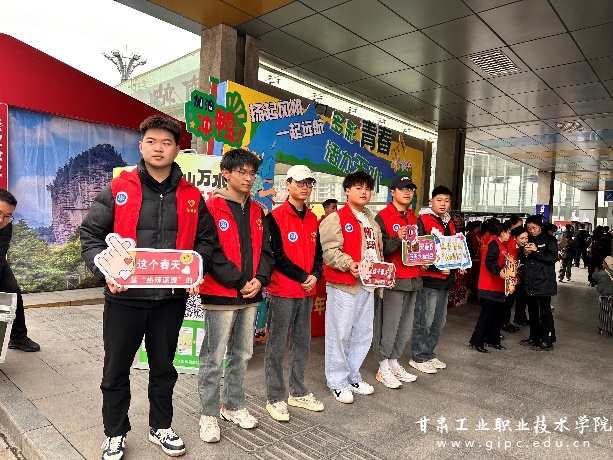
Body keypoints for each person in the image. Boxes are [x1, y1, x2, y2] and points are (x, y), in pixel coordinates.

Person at [80, 115, 216, 459]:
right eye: (152, 141)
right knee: (115, 370)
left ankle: (161, 427)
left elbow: (206, 240)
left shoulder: (191, 195)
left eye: (166, 142)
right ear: (141, 146)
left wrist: (196, 270)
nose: (159, 148)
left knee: (164, 368)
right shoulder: (119, 188)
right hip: (124, 298)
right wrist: (106, 272)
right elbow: (91, 235)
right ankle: (115, 433)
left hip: (170, 299)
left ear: (176, 150)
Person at [197, 148, 274, 443]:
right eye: (242, 172)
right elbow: (211, 252)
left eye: (252, 173)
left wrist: (260, 280)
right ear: (226, 173)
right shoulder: (211, 207)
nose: (248, 178)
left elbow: (266, 252)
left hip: (251, 294)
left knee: (242, 354)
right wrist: (240, 281)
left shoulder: (257, 211)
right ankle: (208, 413)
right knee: (213, 358)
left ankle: (233, 405)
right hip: (220, 294)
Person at [264, 165, 324, 422]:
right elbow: (277, 256)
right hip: (283, 291)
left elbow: (318, 254)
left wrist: (315, 275)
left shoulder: (313, 218)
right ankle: (275, 397)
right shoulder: (275, 217)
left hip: (306, 292)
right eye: (299, 182)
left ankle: (298, 391)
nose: (305, 187)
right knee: (276, 345)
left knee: (302, 343)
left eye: (308, 183)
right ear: (287, 184)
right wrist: (303, 277)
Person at [319, 171, 383, 404]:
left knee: (363, 334)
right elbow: (329, 252)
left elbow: (376, 252)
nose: (364, 192)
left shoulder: (371, 220)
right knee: (340, 334)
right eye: (358, 187)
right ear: (347, 191)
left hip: (368, 285)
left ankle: (352, 375)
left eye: (367, 188)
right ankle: (336, 381)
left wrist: (384, 275)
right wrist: (349, 264)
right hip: (344, 285)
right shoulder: (335, 218)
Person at [410, 185, 464, 374]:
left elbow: (451, 250)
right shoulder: (422, 220)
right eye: (439, 200)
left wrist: (459, 264)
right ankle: (418, 356)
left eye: (447, 201)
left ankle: (429, 353)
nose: (443, 204)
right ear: (431, 201)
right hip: (429, 280)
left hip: (446, 280)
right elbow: (416, 250)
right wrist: (436, 266)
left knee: (438, 322)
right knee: (424, 320)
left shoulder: (450, 222)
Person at [372, 176, 420, 389]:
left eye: (410, 189)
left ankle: (394, 362)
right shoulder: (382, 217)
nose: (407, 192)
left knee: (405, 325)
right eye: (403, 189)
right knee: (388, 325)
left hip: (413, 278)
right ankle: (382, 366)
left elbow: (419, 246)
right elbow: (378, 249)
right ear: (392, 192)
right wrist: (397, 238)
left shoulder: (414, 217)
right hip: (393, 280)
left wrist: (425, 259)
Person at [0, 190, 40, 353]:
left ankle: (18, 337)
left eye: (7, 216)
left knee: (12, 290)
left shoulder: (6, 226)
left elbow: (0, 252)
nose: (1, 220)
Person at [469, 222, 510, 352]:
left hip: (498, 285)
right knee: (486, 315)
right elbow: (490, 262)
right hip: (489, 286)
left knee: (496, 315)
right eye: (509, 232)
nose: (510, 235)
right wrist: (499, 271)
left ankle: (493, 339)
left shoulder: (501, 244)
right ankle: (476, 341)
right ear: (503, 232)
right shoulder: (493, 244)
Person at [520, 215, 558, 352]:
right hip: (530, 281)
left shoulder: (550, 240)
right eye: (529, 228)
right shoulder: (528, 240)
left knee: (545, 311)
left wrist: (537, 250)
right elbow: (521, 259)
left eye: (534, 228)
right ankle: (534, 337)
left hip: (544, 282)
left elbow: (552, 257)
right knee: (532, 310)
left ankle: (547, 340)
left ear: (540, 227)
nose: (532, 231)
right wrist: (525, 253)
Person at [510, 226, 530, 326]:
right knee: (509, 300)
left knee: (522, 297)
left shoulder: (523, 247)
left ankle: (519, 317)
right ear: (515, 238)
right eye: (522, 238)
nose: (525, 240)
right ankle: (504, 322)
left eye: (526, 238)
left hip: (521, 277)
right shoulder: (510, 246)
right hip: (511, 277)